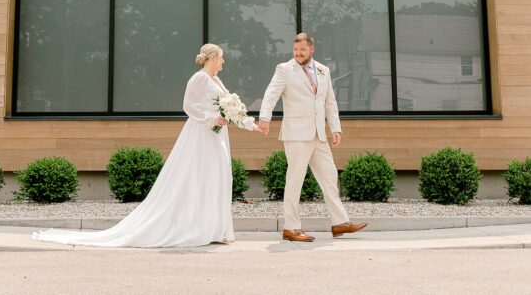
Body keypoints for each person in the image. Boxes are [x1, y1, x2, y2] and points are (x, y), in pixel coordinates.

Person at [32, 43, 257, 248]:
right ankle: (196, 227)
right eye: (221, 58)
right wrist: (210, 118)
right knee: (198, 176)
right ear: (212, 58)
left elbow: (230, 108)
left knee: (217, 176)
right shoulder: (199, 78)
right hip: (201, 134)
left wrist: (251, 124)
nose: (224, 62)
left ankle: (214, 228)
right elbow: (188, 106)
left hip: (217, 135)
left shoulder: (217, 80)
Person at [257, 32, 368, 242]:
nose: (298, 54)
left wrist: (336, 128)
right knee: (295, 179)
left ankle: (340, 222)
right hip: (297, 134)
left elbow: (330, 102)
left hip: (319, 134)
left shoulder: (323, 70)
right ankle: (291, 227)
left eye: (302, 50)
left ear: (312, 49)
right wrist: (264, 117)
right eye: (296, 50)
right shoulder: (285, 69)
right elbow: (271, 93)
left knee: (329, 177)